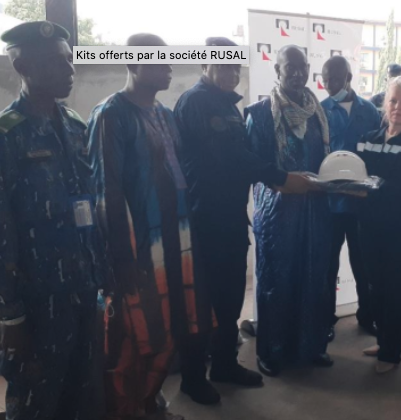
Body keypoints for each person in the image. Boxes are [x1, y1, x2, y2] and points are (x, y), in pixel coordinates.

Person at [173, 37, 316, 397]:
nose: (231, 72)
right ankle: (193, 379)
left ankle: (224, 364)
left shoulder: (228, 106)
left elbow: (240, 155)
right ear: (205, 65)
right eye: (222, 65)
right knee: (202, 302)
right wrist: (281, 177)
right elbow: (230, 157)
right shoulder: (196, 102)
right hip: (204, 220)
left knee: (230, 296)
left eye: (235, 66)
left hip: (231, 218)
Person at [88, 33, 206, 418]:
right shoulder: (111, 114)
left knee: (168, 328)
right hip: (136, 248)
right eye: (158, 61)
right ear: (132, 64)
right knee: (133, 334)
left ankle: (148, 401)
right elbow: (106, 190)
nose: (169, 67)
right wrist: (120, 258)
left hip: (175, 242)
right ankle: (128, 409)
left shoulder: (165, 114)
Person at [0, 21, 105, 420]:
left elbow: (90, 206)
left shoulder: (75, 125)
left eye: (70, 59)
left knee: (83, 394)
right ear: (23, 67)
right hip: (37, 300)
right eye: (56, 61)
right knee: (36, 401)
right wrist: (11, 315)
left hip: (83, 288)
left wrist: (102, 276)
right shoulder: (7, 135)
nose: (70, 69)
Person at [245, 45, 332, 377]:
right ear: (277, 71)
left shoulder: (316, 112)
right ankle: (272, 351)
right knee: (276, 280)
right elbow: (254, 166)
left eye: (302, 67)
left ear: (309, 69)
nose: (297, 73)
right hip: (277, 212)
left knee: (312, 277)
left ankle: (310, 346)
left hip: (314, 209)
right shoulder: (259, 114)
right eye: (289, 67)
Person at [358, 76, 401, 374]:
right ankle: (384, 340)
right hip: (369, 227)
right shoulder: (368, 138)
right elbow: (357, 173)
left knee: (396, 289)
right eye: (393, 100)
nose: (398, 107)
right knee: (375, 287)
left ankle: (391, 352)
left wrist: (371, 188)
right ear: (385, 103)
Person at [321, 56, 381, 339]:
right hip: (329, 204)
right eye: (325, 79)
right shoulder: (319, 111)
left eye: (335, 78)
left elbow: (377, 153)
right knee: (327, 265)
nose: (329, 84)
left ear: (348, 77)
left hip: (361, 203)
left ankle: (367, 315)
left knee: (364, 262)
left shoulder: (369, 111)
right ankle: (325, 319)